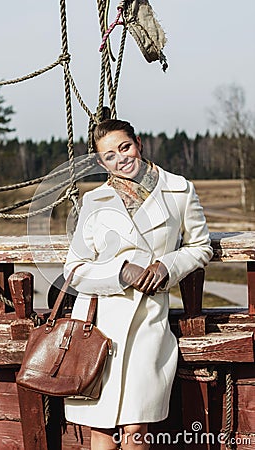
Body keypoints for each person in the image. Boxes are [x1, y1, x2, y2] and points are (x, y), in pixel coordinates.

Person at [63, 119, 213, 449]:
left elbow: (201, 247)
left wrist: (167, 266)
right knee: (101, 428)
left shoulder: (179, 190)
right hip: (99, 323)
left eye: (125, 147)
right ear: (101, 162)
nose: (121, 158)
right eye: (110, 155)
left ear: (139, 143)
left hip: (149, 321)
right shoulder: (94, 201)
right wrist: (120, 272)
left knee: (136, 426)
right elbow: (74, 268)